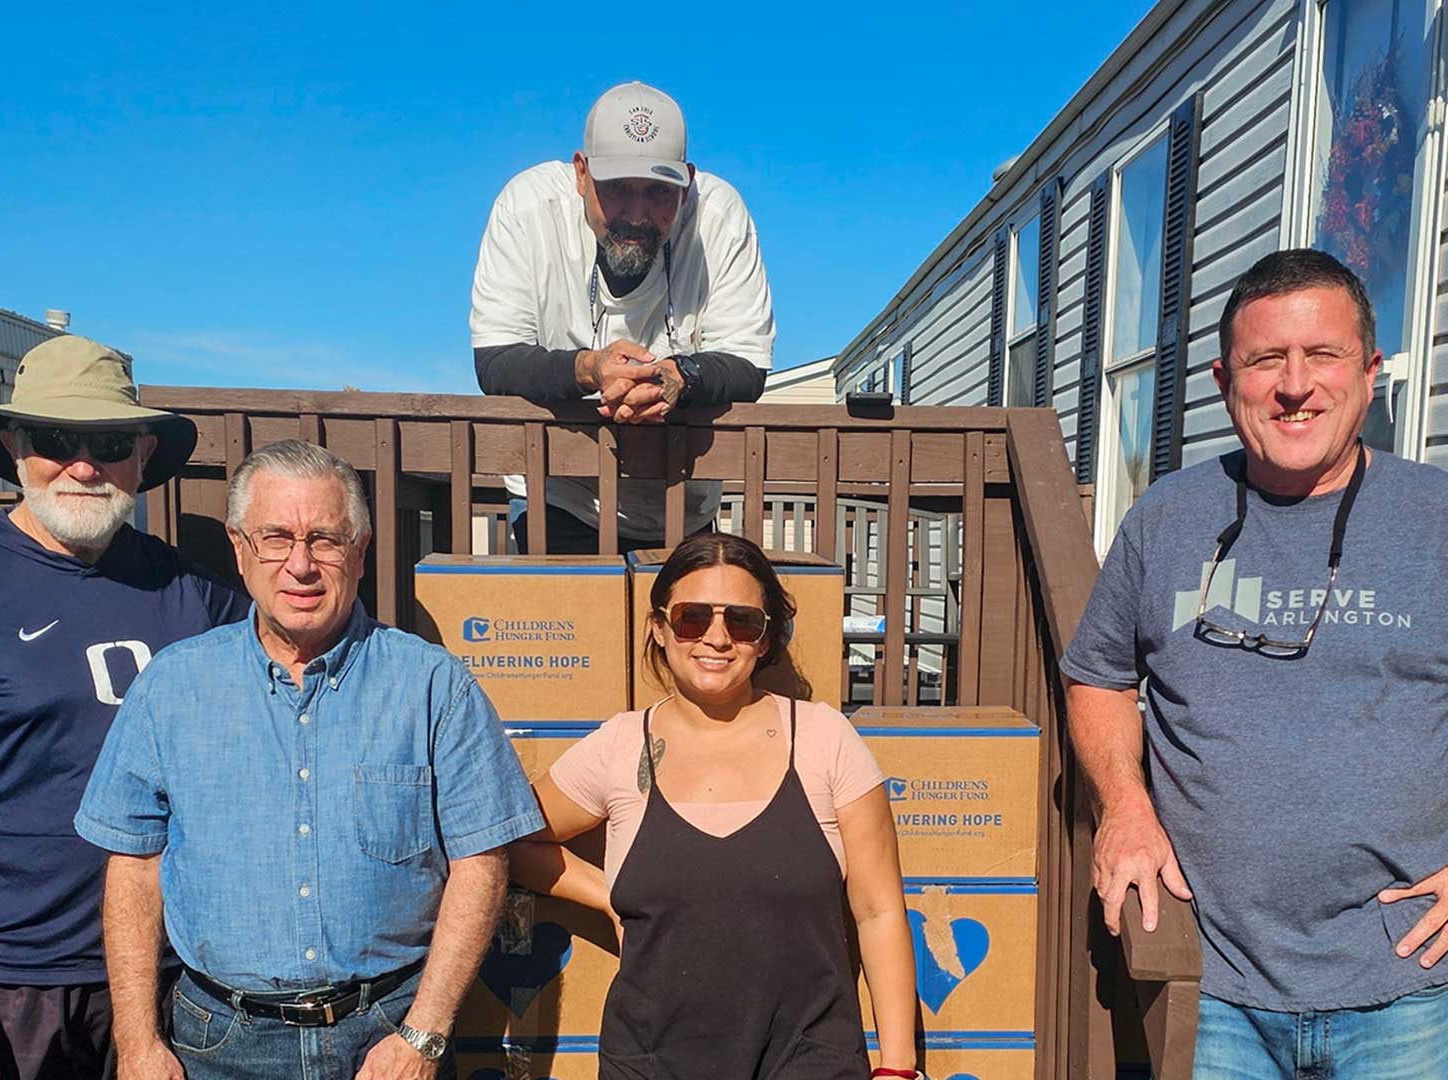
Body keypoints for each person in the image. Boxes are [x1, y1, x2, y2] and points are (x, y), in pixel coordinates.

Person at [1060, 249, 1448, 1079]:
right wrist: (1124, 805)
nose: (1295, 385)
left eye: (1324, 356)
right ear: (1222, 377)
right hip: (1210, 986)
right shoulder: (1168, 520)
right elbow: (1098, 674)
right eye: (1266, 359)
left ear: (1371, 372)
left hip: (1398, 989)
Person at [74, 439, 544, 1080]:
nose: (301, 564)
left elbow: (481, 861)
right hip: (219, 1043)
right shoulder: (171, 688)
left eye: (325, 539)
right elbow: (132, 869)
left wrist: (424, 1036)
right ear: (241, 551)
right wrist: (137, 1043)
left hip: (388, 1035)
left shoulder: (433, 686)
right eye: (276, 538)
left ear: (360, 550)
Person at [0, 335, 245, 1080]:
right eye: (56, 439)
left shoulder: (194, 596)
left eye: (107, 442)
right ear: (14, 447)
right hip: (17, 985)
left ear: (142, 454)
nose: (82, 464)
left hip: (176, 976)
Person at [510, 533, 917, 1080]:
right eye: (693, 617)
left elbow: (879, 910)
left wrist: (898, 1067)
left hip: (808, 1059)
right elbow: (509, 838)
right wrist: (608, 894)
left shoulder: (824, 738)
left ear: (766, 639)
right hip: (651, 1062)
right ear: (660, 627)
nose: (717, 638)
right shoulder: (621, 745)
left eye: (742, 621)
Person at [470, 81, 774, 553]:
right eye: (616, 190)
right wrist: (589, 368)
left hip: (683, 506)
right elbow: (495, 360)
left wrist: (679, 376)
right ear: (580, 172)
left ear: (688, 181)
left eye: (658, 191)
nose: (636, 214)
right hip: (556, 494)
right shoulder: (526, 207)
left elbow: (747, 365)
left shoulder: (720, 216)